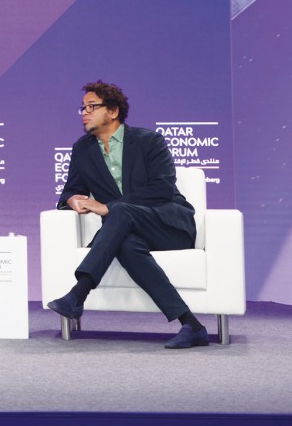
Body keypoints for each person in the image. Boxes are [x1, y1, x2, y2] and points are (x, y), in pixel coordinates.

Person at [47, 81, 208, 349]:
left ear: (112, 111)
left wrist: (110, 207)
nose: (84, 112)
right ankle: (191, 324)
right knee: (127, 243)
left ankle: (78, 293)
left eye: (92, 106)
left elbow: (162, 188)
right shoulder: (82, 149)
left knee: (119, 210)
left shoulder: (149, 141)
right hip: (127, 230)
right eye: (82, 108)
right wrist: (74, 200)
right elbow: (70, 192)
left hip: (167, 225)